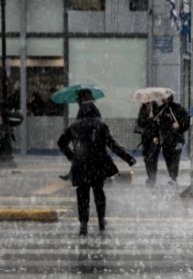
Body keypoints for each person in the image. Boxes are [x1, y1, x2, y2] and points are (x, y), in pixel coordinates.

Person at [58, 100, 137, 236]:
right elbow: (113, 145)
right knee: (98, 192)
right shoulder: (101, 125)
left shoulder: (74, 126)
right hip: (97, 164)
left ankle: (83, 223)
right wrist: (128, 158)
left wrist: (72, 156)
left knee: (82, 194)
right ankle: (101, 220)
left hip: (80, 164)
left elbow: (61, 142)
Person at [156, 94, 190, 185]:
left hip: (177, 139)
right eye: (163, 98)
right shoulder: (160, 110)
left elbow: (187, 120)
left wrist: (179, 125)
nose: (164, 100)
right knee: (167, 157)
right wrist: (158, 122)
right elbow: (157, 125)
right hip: (166, 139)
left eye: (166, 98)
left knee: (175, 157)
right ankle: (171, 175)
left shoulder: (177, 108)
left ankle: (174, 177)